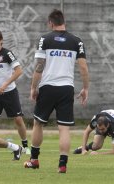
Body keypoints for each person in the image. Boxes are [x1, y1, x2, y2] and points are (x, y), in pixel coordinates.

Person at [23, 9, 89, 173]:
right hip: (67, 88)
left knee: (38, 123)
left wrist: (33, 87)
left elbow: (39, 66)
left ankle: (34, 160)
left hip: (48, 87)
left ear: (50, 23)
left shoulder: (45, 39)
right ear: (63, 21)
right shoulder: (77, 41)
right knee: (64, 128)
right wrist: (85, 88)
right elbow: (83, 68)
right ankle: (62, 164)